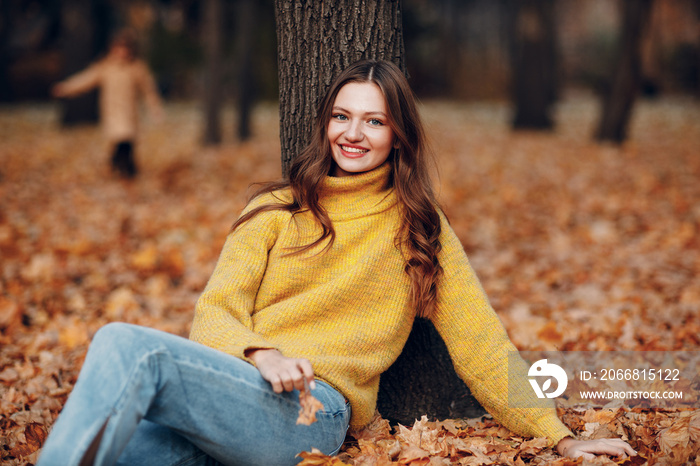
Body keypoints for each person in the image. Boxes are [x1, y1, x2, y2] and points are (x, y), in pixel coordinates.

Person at [36, 60, 635, 465]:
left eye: (375, 121)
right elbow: (213, 313)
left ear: (398, 135)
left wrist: (558, 438)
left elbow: (482, 342)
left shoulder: (416, 226)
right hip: (240, 394)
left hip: (314, 412)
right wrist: (261, 353)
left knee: (125, 343)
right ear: (325, 122)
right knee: (114, 449)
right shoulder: (274, 208)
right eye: (342, 116)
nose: (354, 133)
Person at [52, 29, 162, 179]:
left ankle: (124, 169)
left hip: (130, 112)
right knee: (121, 141)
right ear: (113, 49)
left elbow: (149, 91)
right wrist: (66, 88)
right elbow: (85, 80)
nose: (122, 52)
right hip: (113, 112)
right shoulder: (106, 67)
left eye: (125, 49)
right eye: (119, 49)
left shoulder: (137, 68)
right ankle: (125, 169)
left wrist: (155, 109)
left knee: (127, 142)